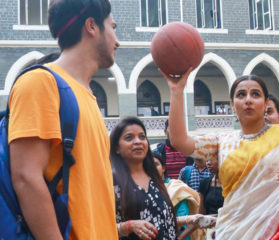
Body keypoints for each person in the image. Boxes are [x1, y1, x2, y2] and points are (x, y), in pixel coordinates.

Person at [162, 69, 279, 239]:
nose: (248, 100)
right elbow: (179, 141)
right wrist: (176, 91)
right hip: (233, 232)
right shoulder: (222, 141)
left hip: (278, 230)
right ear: (232, 104)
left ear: (265, 104)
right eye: (241, 95)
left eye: (255, 94)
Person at [8, 0, 120, 239]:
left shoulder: (87, 96)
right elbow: (26, 178)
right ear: (91, 26)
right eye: (113, 26)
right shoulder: (40, 82)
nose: (117, 40)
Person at [111, 117, 177, 239]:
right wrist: (128, 226)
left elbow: (159, 217)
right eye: (129, 138)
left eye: (142, 137)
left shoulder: (154, 177)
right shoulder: (111, 181)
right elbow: (99, 225)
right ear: (116, 148)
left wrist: (191, 219)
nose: (138, 142)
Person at [153, 151, 204, 240]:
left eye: (155, 165)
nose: (152, 168)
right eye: (147, 166)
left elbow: (182, 219)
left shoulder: (176, 188)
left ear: (163, 168)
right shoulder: (142, 190)